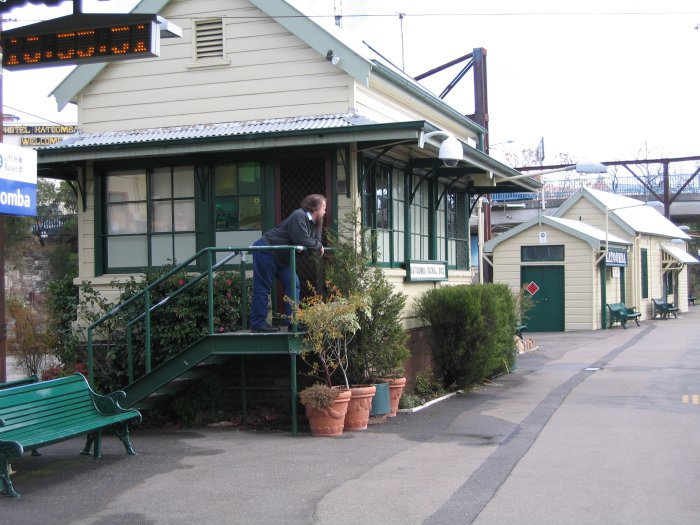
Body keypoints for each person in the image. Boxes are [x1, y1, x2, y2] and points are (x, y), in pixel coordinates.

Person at [250, 194, 326, 332]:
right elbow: (302, 240)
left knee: (293, 283)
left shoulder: (315, 223)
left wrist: (316, 244)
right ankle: (258, 324)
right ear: (314, 208)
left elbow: (315, 241)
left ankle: (292, 322)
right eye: (323, 208)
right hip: (267, 250)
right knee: (263, 287)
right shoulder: (299, 215)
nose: (324, 212)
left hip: (283, 257)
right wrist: (316, 245)